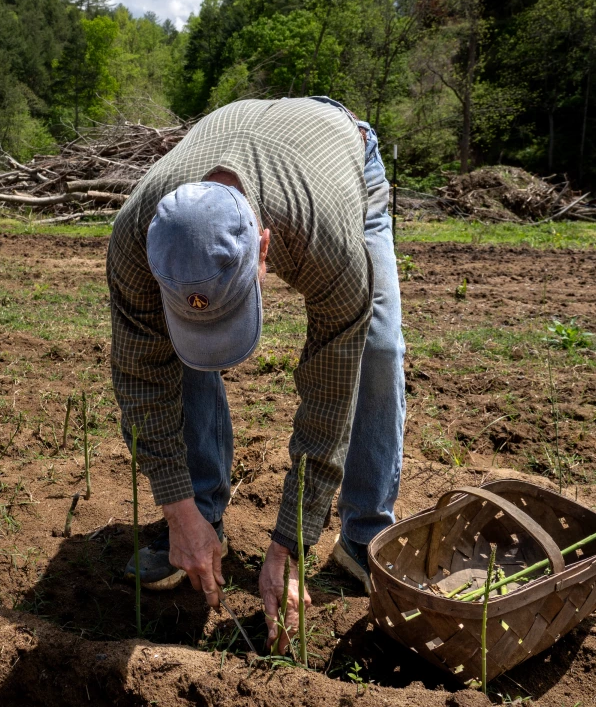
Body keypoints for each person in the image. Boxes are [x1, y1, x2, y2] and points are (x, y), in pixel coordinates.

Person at [106, 96, 405, 651]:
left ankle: (364, 538)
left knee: (378, 348)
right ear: (153, 258)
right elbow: (140, 376)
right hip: (243, 140)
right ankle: (199, 520)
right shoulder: (138, 234)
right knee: (176, 348)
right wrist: (176, 507)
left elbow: (329, 389)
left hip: (344, 163)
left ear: (263, 247)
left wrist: (291, 540)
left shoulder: (326, 235)